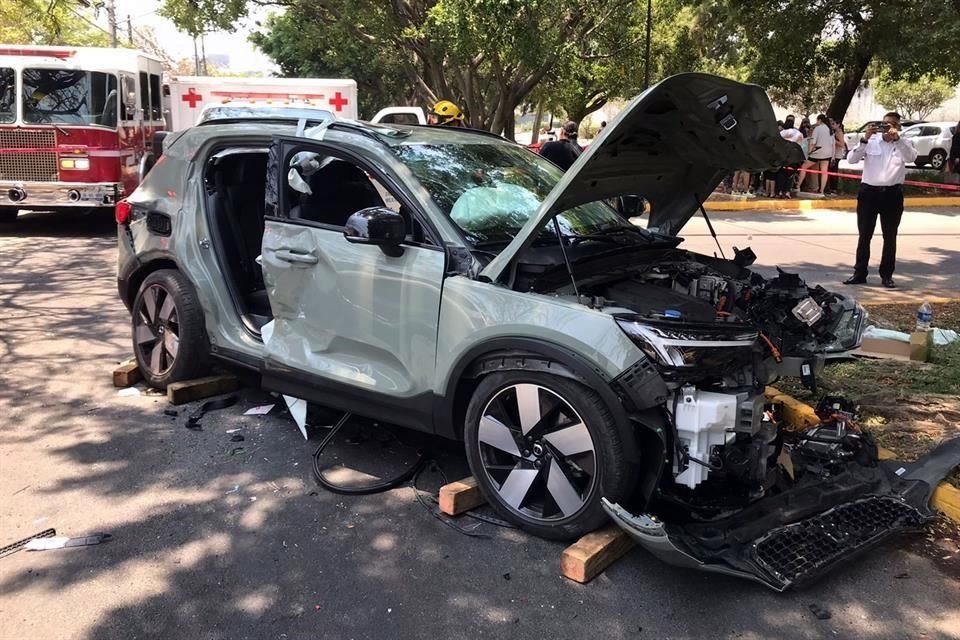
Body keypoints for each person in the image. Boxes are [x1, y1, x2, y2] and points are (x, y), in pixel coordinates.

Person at [843, 111, 917, 288]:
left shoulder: (904, 143)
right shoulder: (872, 141)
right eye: (885, 123)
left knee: (890, 236)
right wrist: (864, 139)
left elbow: (911, 157)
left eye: (891, 124)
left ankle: (887, 275)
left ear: (898, 127)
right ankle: (860, 273)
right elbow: (851, 159)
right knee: (864, 235)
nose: (887, 127)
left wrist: (898, 139)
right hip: (869, 193)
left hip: (892, 194)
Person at [778, 116, 804, 198]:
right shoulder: (798, 133)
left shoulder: (781, 133)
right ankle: (787, 191)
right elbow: (800, 143)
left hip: (783, 155)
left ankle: (780, 191)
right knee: (791, 174)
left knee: (782, 173)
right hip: (794, 156)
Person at [809, 114, 834, 195]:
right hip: (827, 154)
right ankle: (822, 190)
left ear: (819, 120)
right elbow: (833, 144)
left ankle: (798, 186)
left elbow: (813, 142)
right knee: (824, 172)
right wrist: (832, 156)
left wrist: (809, 151)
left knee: (804, 167)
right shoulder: (830, 129)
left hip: (817, 152)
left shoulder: (817, 129)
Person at [827, 120, 847, 195]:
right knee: (832, 170)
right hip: (833, 154)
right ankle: (832, 187)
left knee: (834, 171)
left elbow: (842, 144)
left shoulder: (839, 133)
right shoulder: (834, 132)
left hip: (837, 154)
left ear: (838, 125)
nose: (832, 125)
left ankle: (834, 188)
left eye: (833, 124)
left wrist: (834, 141)